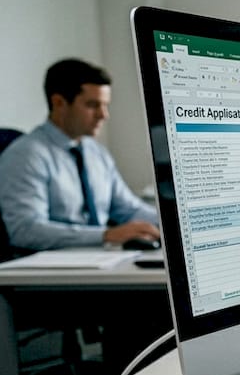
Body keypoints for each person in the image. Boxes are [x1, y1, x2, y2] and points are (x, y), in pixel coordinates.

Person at [0, 59, 160, 253]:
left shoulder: (96, 152)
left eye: (105, 105)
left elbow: (128, 208)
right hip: (53, 262)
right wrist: (106, 235)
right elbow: (25, 230)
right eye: (93, 105)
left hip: (102, 256)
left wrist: (172, 221)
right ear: (59, 103)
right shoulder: (25, 155)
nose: (104, 115)